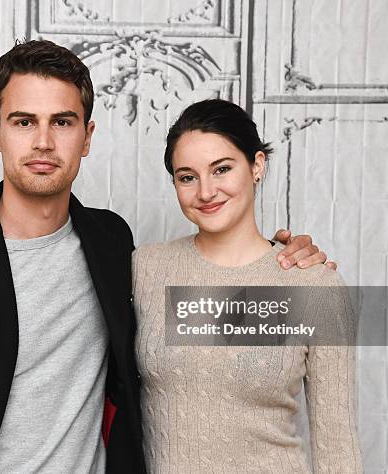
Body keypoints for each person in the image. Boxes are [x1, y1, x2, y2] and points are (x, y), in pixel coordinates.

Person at [0, 40, 330, 473]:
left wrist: (288, 272)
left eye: (62, 122)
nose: (43, 142)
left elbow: (204, 323)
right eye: (23, 121)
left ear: (87, 137)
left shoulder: (113, 245)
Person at [133, 99, 363, 472]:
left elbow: (338, 448)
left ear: (257, 165)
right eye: (187, 177)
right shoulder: (145, 268)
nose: (206, 192)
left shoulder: (315, 285)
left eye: (221, 169)